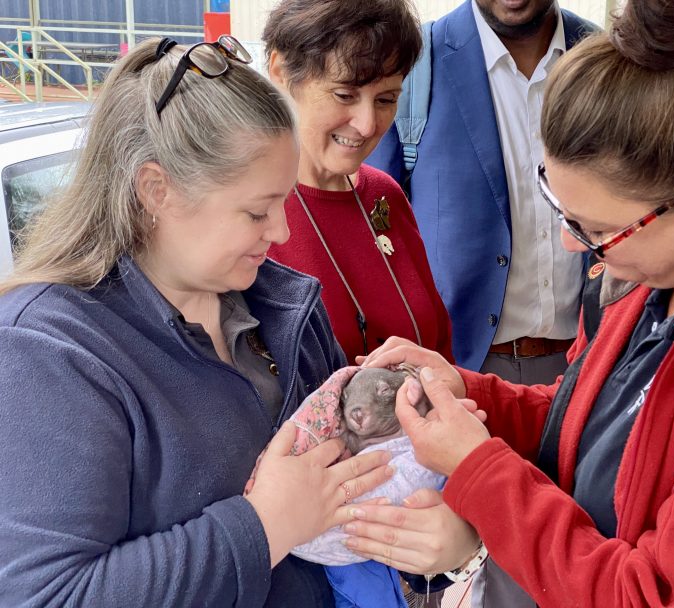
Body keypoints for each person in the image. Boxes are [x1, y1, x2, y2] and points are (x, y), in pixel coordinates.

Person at [345, 0, 674, 605]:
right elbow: (581, 421)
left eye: (594, 227)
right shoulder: (655, 269)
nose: (572, 244)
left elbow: (652, 596)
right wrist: (469, 393)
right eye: (560, 210)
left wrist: (481, 488)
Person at [0, 36, 395, 607]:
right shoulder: (47, 352)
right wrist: (263, 527)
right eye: (257, 210)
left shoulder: (283, 306)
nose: (281, 232)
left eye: (285, 202)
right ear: (156, 190)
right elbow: (48, 595)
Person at [367, 1, 597, 604]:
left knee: (569, 560)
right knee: (465, 573)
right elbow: (378, 224)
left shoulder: (600, 58)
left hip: (588, 370)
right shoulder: (418, 67)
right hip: (468, 375)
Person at [262, 0, 454, 366]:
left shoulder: (385, 196)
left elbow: (440, 348)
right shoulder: (247, 211)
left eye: (386, 99)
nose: (368, 125)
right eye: (345, 95)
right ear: (281, 72)